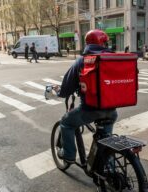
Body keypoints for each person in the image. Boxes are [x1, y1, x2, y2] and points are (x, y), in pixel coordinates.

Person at [54, 29, 118, 163]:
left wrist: (60, 92)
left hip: (90, 111)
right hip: (111, 111)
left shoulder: (83, 61)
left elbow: (66, 88)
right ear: (104, 43)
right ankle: (109, 168)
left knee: (66, 123)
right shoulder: (113, 59)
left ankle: (69, 155)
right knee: (107, 140)